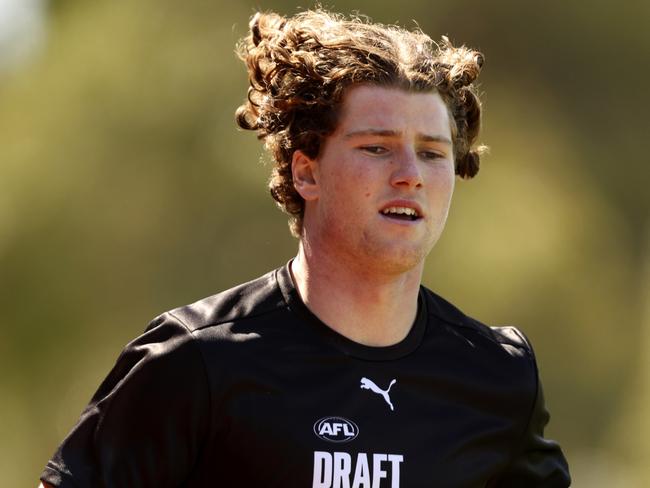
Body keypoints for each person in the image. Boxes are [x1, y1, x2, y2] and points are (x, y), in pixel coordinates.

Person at [39, 8, 571, 487]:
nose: (409, 175)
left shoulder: (499, 378)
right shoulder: (196, 360)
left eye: (431, 154)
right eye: (376, 148)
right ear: (306, 171)